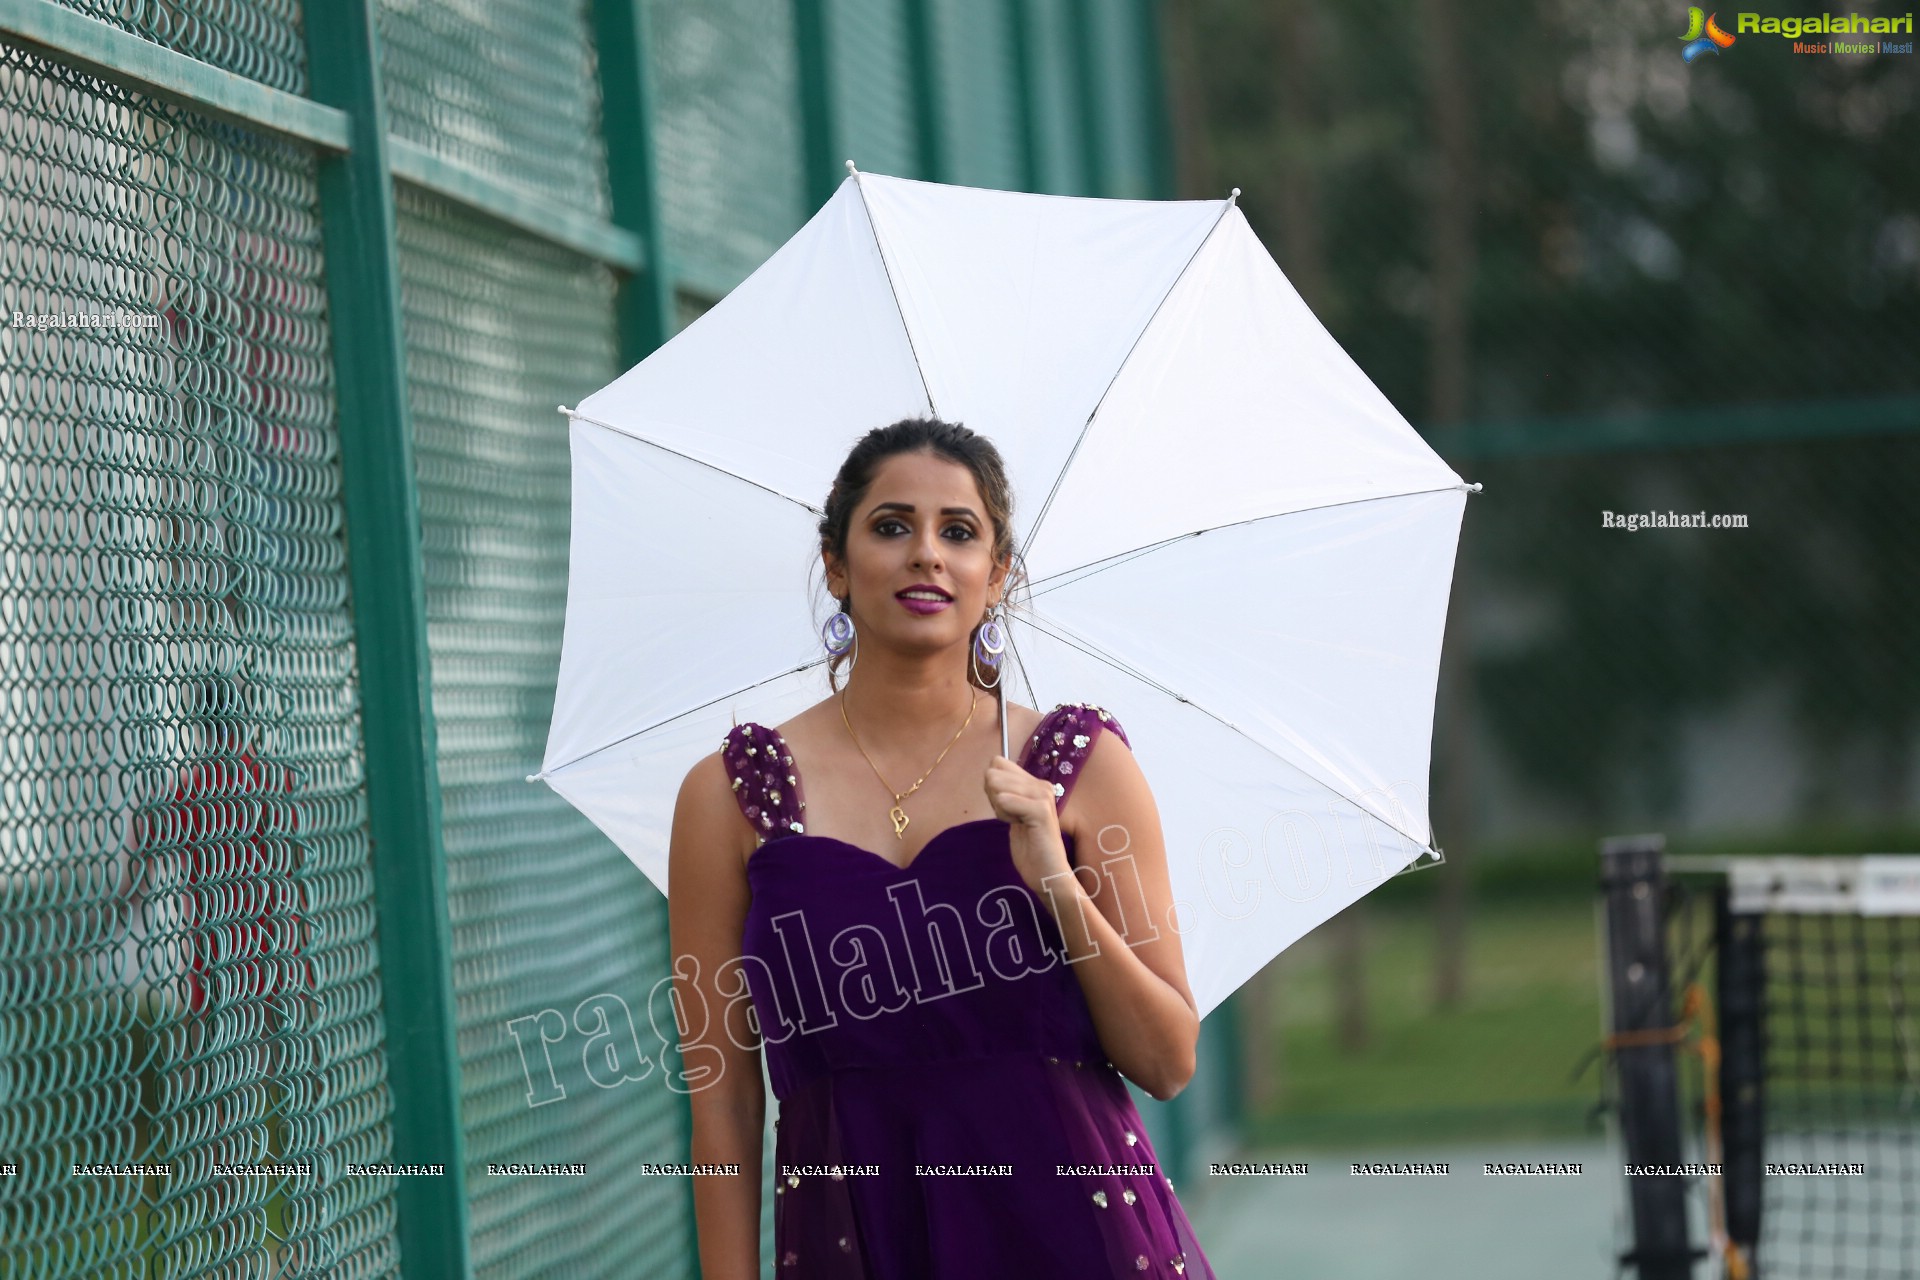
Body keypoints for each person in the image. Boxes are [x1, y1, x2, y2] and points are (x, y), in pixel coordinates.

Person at [668, 417, 1217, 1278]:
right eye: (892, 526)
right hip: (859, 1240)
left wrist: (1058, 886)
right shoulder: (730, 795)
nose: (927, 554)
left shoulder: (1079, 768)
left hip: (1077, 1237)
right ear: (837, 567)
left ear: (996, 576)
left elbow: (1167, 1060)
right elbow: (725, 1105)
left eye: (958, 533)